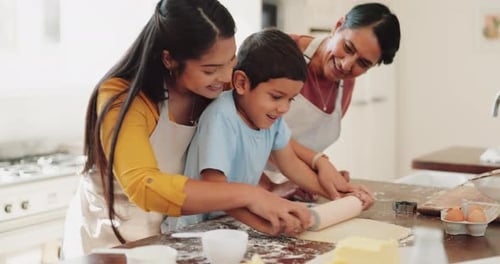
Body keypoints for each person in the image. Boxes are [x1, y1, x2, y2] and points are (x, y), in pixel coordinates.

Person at [60, 0, 313, 259]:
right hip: (113, 237)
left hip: (173, 231)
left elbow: (266, 130)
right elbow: (143, 185)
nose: (226, 76)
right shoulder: (122, 98)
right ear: (169, 59)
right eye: (211, 69)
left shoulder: (213, 88)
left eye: (231, 61)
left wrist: (316, 163)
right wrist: (249, 195)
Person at [164, 29, 371, 235]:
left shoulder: (273, 120)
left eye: (290, 99)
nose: (284, 108)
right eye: (276, 96)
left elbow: (292, 166)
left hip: (229, 221)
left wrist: (339, 194)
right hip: (193, 228)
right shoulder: (221, 118)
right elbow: (215, 188)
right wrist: (262, 222)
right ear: (242, 83)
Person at [261, 2, 401, 201]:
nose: (346, 65)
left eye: (363, 64)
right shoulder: (278, 52)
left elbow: (299, 146)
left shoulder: (345, 86)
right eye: (348, 47)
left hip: (289, 194)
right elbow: (252, 134)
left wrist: (322, 178)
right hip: (245, 183)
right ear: (338, 26)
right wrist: (317, 164)